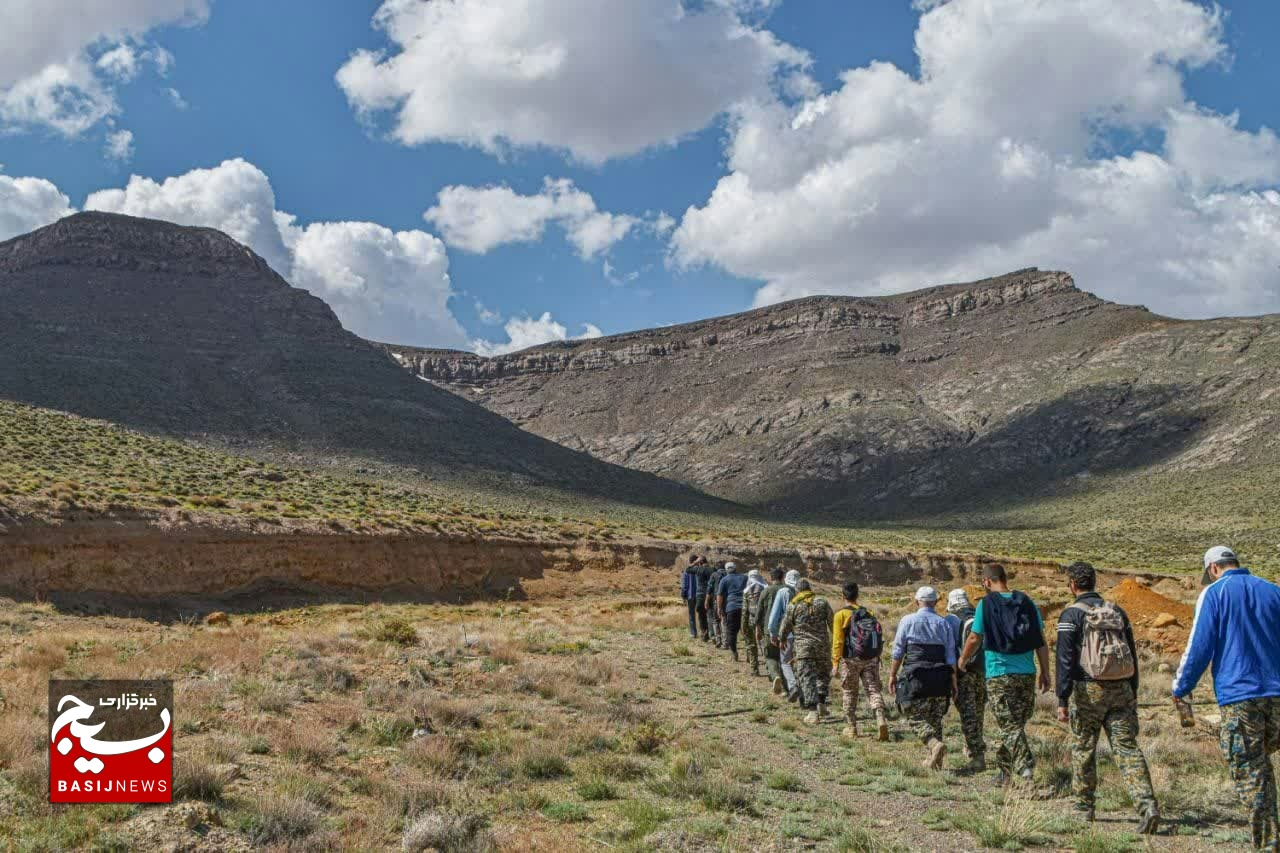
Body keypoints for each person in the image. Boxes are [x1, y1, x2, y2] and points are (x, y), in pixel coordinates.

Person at [1172, 546, 1280, 851]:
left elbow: (1199, 647)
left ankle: (1267, 843)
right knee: (1260, 764)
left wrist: (1181, 687)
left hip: (1239, 695)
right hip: (1277, 694)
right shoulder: (1273, 591)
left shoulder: (1215, 593)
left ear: (1213, 568)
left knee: (1248, 766)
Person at [1055, 561, 1158, 833]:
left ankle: (1084, 808)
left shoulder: (1070, 615)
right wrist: (1133, 691)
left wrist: (1062, 699)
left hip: (1087, 691)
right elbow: (1132, 655)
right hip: (1122, 688)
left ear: (1073, 585)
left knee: (1083, 748)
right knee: (1127, 748)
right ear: (1094, 583)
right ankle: (1147, 805)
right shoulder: (1117, 611)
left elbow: (1064, 660)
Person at [959, 564, 1051, 784]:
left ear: (987, 582)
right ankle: (1004, 771)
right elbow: (1041, 641)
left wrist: (962, 660)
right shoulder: (1028, 602)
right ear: (1005, 578)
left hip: (999, 674)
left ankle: (1025, 768)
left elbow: (974, 637)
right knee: (1014, 724)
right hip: (1027, 672)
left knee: (1008, 725)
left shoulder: (985, 604)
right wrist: (1045, 672)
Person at [889, 586, 957, 770]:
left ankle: (934, 745)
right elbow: (951, 656)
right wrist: (954, 682)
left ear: (916, 600)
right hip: (940, 677)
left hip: (916, 677)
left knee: (911, 714)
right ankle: (936, 764)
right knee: (936, 718)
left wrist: (893, 675)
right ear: (935, 602)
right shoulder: (944, 624)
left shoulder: (907, 620)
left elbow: (898, 652)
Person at [832, 581, 889, 741]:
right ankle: (880, 719)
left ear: (842, 596)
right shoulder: (868, 612)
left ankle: (851, 728)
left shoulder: (840, 615)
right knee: (873, 689)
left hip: (850, 659)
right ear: (858, 595)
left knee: (850, 692)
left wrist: (835, 663)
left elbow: (838, 641)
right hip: (870, 658)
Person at [779, 579, 834, 724]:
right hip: (822, 645)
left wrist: (782, 638)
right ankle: (822, 704)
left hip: (803, 648)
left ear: (798, 591)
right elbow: (832, 622)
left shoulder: (794, 604)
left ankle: (812, 712)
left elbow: (785, 625)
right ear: (809, 589)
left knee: (807, 678)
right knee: (823, 675)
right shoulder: (822, 602)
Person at [946, 588, 987, 773]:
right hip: (983, 671)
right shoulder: (978, 616)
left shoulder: (952, 620)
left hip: (963, 672)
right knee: (978, 712)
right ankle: (972, 748)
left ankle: (977, 757)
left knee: (968, 715)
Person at [768, 569, 803, 701]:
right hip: (803, 634)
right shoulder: (804, 594)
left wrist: (773, 633)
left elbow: (774, 616)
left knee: (785, 662)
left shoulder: (783, 592)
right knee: (800, 662)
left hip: (787, 635)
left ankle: (793, 687)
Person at [757, 568, 789, 693]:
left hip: (768, 630)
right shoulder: (789, 590)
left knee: (770, 657)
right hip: (787, 631)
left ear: (771, 578)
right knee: (785, 659)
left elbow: (759, 612)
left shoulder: (766, 591)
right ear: (783, 577)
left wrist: (757, 628)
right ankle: (788, 688)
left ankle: (775, 675)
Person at [717, 562, 750, 661]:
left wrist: (719, 608)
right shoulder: (744, 577)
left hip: (731, 608)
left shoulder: (724, 579)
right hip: (745, 607)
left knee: (731, 632)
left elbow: (720, 595)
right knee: (747, 632)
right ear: (735, 568)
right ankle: (750, 654)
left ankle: (734, 653)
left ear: (726, 570)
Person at [742, 569, 767, 676]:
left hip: (750, 622)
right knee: (764, 645)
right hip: (763, 622)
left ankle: (754, 669)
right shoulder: (765, 589)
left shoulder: (746, 591)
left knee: (751, 645)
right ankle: (769, 669)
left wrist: (743, 626)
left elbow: (744, 611)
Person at [691, 557, 713, 641]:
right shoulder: (712, 569)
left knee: (701, 615)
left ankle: (704, 634)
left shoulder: (698, 569)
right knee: (711, 615)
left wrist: (695, 562)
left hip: (700, 594)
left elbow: (688, 569)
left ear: (700, 562)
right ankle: (713, 635)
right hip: (711, 594)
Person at [706, 561, 727, 648]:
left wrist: (706, 601)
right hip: (727, 600)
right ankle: (725, 641)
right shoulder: (727, 574)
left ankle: (718, 640)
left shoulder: (714, 575)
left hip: (716, 599)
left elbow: (709, 588)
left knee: (715, 620)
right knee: (724, 620)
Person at [680, 555, 702, 639]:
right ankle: (704, 632)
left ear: (690, 561)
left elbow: (684, 584)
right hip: (700, 595)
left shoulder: (687, 571)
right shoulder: (700, 570)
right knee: (702, 614)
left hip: (690, 595)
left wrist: (683, 595)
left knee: (691, 614)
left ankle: (693, 633)